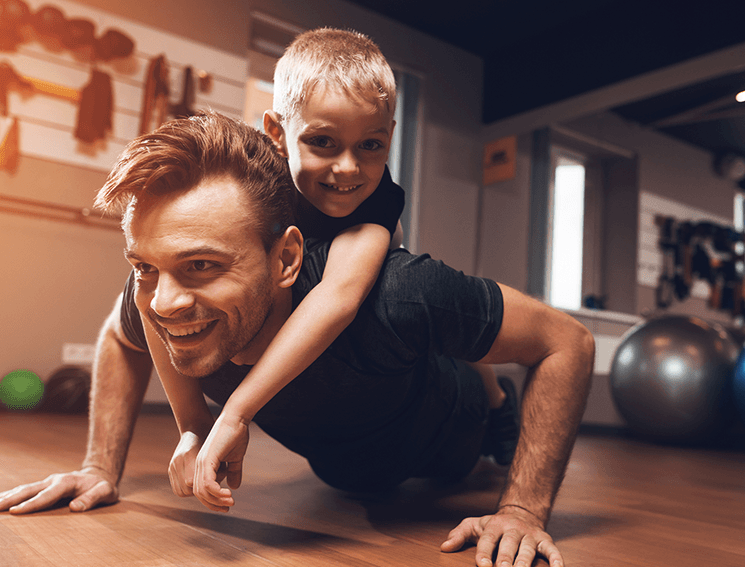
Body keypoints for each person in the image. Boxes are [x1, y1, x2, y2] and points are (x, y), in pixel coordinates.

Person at [0, 112, 595, 567]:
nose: (164, 302)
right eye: (145, 267)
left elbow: (567, 341)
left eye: (202, 266)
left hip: (449, 439)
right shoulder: (158, 298)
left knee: (472, 413)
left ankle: (498, 408)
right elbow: (120, 334)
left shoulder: (397, 293)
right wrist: (100, 466)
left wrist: (521, 510)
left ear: (286, 258)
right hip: (346, 472)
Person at [157, 26, 518, 508]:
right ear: (276, 134)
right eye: (324, 142)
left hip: (364, 276)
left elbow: (337, 297)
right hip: (314, 276)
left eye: (370, 146)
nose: (348, 168)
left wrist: (236, 412)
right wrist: (193, 425)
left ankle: (498, 404)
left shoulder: (376, 206)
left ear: (390, 136)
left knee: (449, 324)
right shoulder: (259, 181)